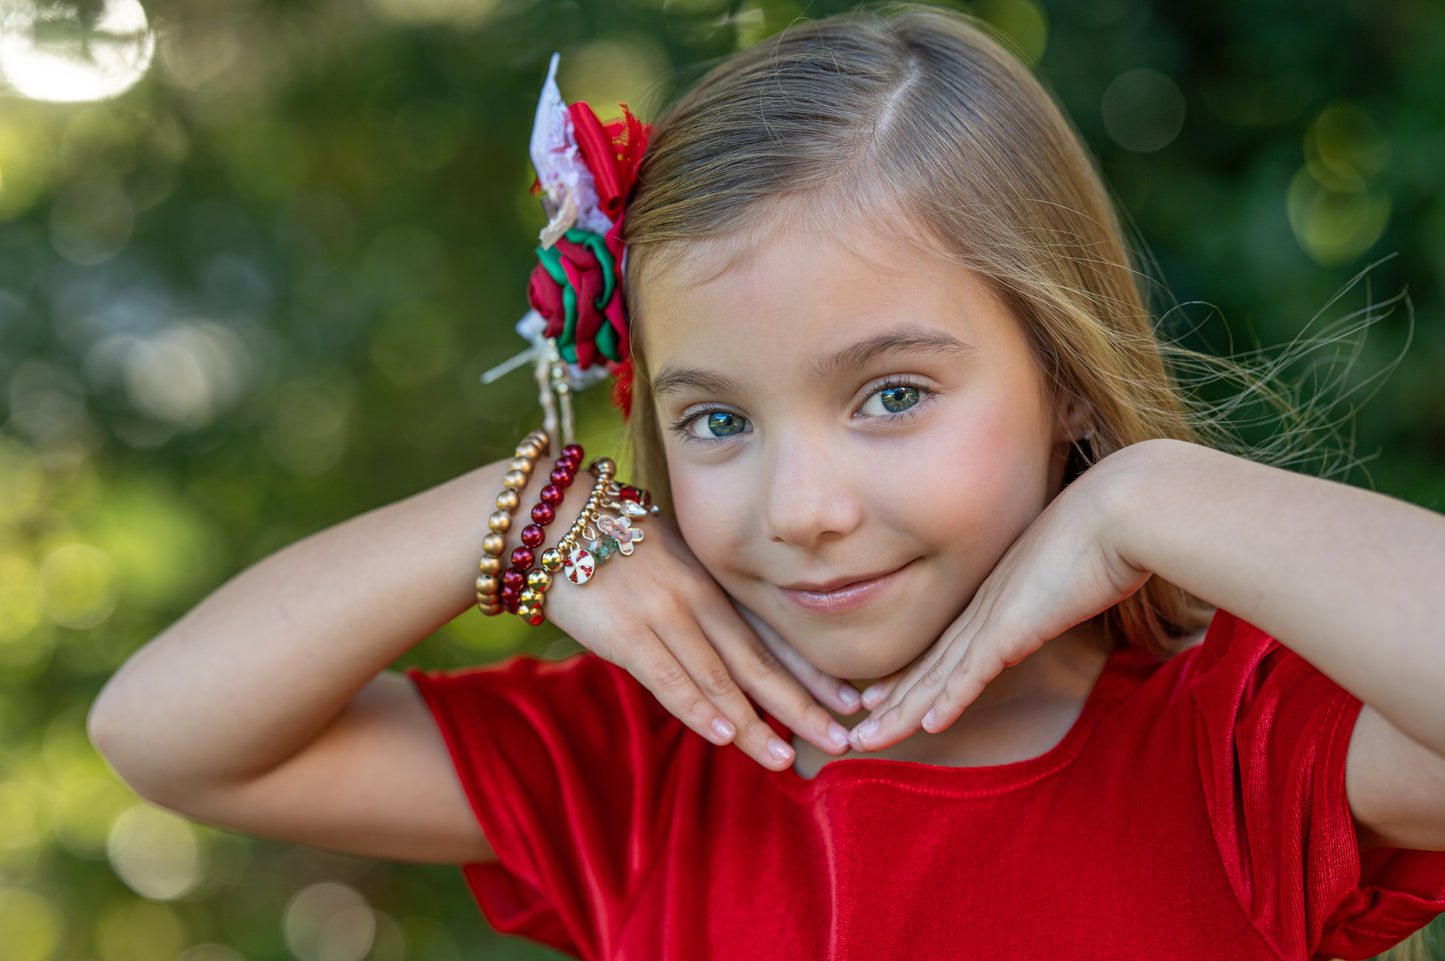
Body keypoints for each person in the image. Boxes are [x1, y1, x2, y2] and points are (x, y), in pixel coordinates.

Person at [88, 6, 1445, 959]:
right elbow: (166, 733)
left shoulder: (1234, 752)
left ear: (1064, 383)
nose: (801, 507)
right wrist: (514, 514)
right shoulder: (641, 767)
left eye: (892, 394)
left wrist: (1150, 498)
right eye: (718, 419)